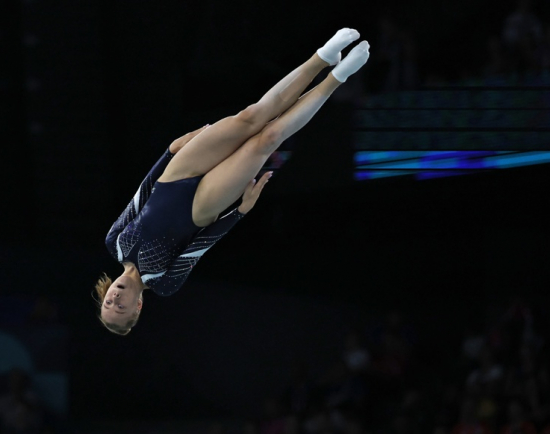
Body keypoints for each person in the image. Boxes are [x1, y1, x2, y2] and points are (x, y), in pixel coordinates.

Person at [93, 28, 370, 334]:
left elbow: (140, 194)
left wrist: (169, 151)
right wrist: (240, 211)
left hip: (175, 175)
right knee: (267, 139)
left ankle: (323, 57)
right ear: (137, 307)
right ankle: (338, 76)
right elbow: (201, 245)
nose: (115, 298)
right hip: (201, 208)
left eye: (109, 303)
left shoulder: (114, 242)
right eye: (121, 308)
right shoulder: (163, 283)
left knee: (251, 117)